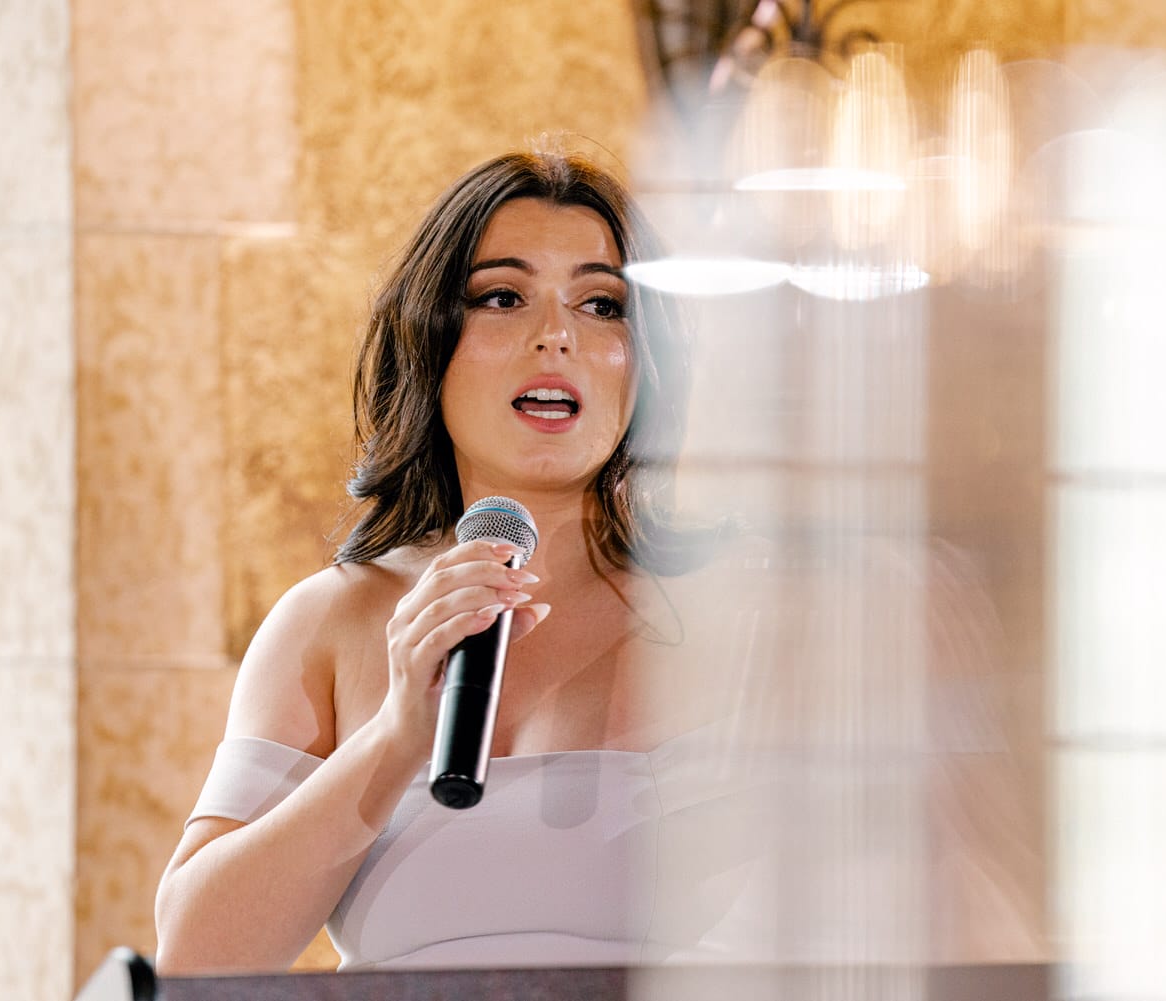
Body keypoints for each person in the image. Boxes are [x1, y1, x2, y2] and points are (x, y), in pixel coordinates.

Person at [152, 145, 750, 975]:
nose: (557, 336)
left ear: (645, 364)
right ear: (432, 345)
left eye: (603, 304)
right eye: (503, 296)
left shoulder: (745, 609)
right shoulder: (331, 620)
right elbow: (193, 955)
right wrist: (398, 733)